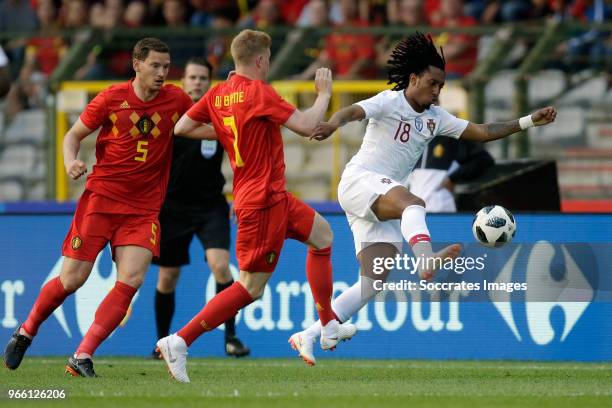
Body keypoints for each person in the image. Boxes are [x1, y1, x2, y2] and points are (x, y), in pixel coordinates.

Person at [290, 32, 557, 365]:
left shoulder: (436, 117)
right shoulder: (389, 101)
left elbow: (484, 131)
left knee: (372, 282)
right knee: (414, 203)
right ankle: (425, 258)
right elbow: (354, 112)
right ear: (413, 78)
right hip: (360, 181)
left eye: (441, 86)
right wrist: (332, 123)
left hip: (379, 198)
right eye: (432, 83)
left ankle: (310, 334)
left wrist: (529, 121)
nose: (436, 91)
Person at [158, 29, 355, 383]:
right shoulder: (259, 93)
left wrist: (228, 131)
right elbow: (308, 126)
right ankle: (179, 341)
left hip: (273, 195)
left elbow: (183, 126)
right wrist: (324, 94)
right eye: (268, 60)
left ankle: (327, 326)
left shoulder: (218, 94)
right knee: (250, 287)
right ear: (261, 60)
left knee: (323, 236)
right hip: (260, 201)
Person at [3, 38, 193, 377]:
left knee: (132, 279)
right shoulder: (111, 98)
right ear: (137, 63)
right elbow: (71, 135)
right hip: (102, 201)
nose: (162, 73)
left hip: (143, 208)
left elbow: (199, 124)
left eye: (166, 67)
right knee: (72, 278)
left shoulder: (176, 99)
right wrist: (70, 161)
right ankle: (26, 330)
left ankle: (82, 355)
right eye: (155, 66)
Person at [151, 57, 249, 359]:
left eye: (202, 78)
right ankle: (161, 343)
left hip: (211, 205)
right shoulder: (170, 117)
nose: (197, 82)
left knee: (221, 266)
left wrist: (239, 195)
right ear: (184, 82)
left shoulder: (220, 114)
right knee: (168, 277)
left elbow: (240, 157)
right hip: (173, 207)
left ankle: (231, 337)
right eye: (192, 77)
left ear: (209, 82)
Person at [408, 136, 494, 212]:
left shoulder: (453, 133)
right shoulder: (413, 136)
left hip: (441, 211)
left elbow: (484, 159)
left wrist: (453, 178)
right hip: (414, 213)